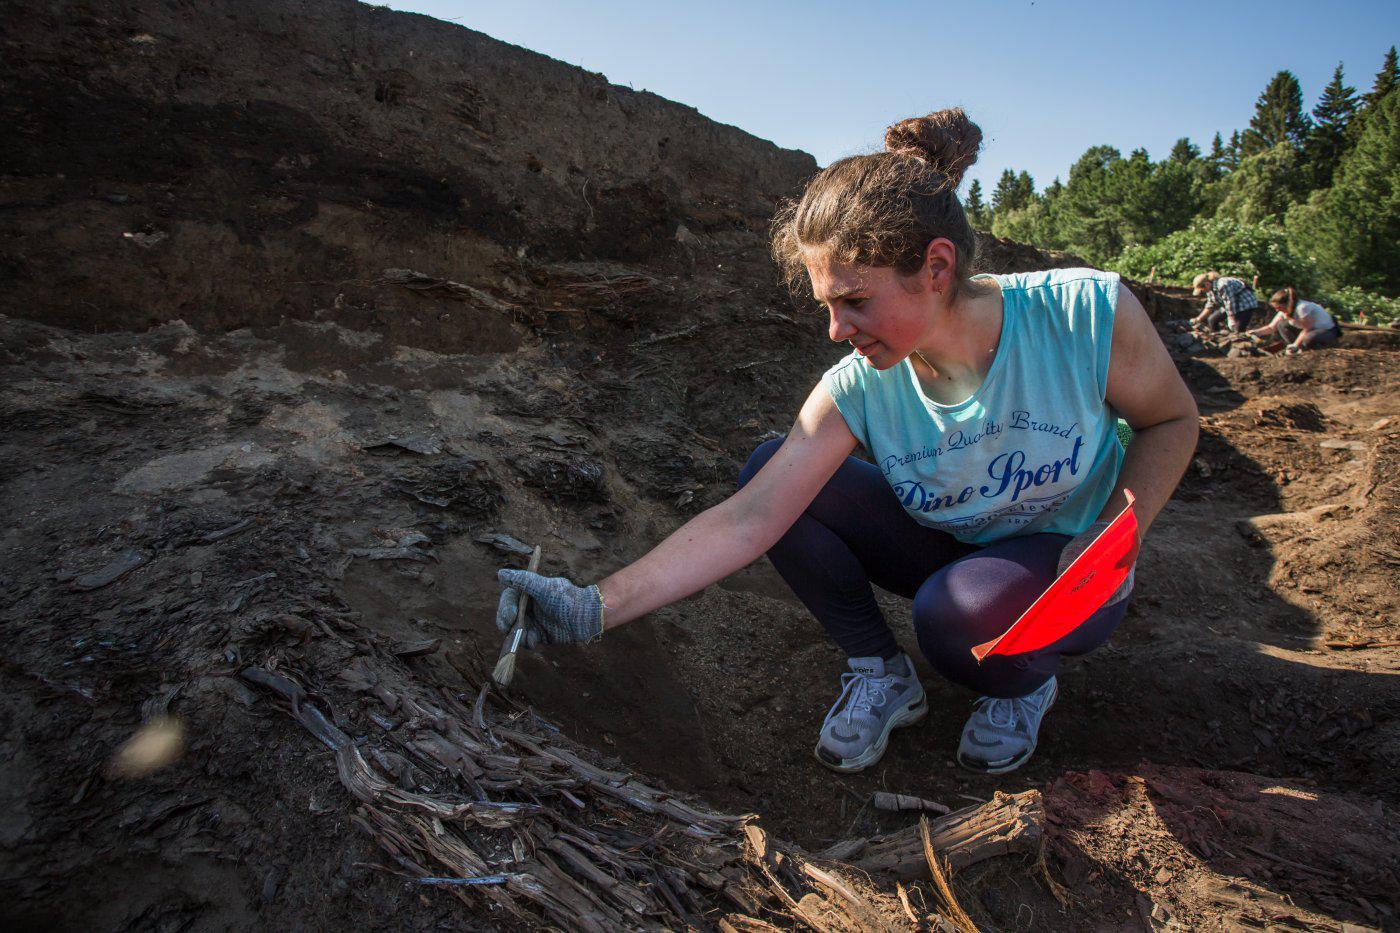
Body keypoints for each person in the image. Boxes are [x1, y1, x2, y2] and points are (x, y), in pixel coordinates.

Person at [494, 108, 1199, 776]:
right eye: (827, 305)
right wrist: (593, 604)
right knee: (773, 470)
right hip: (949, 546)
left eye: (855, 300)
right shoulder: (860, 382)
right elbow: (750, 518)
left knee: (956, 618)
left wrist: (1114, 531)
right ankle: (882, 672)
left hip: (1068, 561)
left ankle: (1021, 687)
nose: (836, 329)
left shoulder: (1081, 314)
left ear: (937, 268)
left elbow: (1171, 420)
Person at [1246, 287, 1341, 355]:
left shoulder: (1302, 308)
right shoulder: (1284, 311)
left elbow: (1306, 329)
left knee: (1308, 338)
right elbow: (1271, 327)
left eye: (1279, 307)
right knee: (1281, 325)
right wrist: (1255, 332)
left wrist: (1296, 344)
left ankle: (1305, 349)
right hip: (1308, 331)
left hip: (1327, 332)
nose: (1277, 310)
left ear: (1287, 304)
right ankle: (1294, 348)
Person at [1190, 271, 1260, 333]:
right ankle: (1217, 341)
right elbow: (1210, 304)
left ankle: (1242, 345)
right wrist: (1198, 319)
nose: (1203, 292)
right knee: (1212, 320)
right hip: (1230, 305)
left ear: (1207, 284)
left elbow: (1230, 302)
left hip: (1245, 304)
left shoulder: (1223, 284)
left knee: (1238, 329)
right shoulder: (1210, 289)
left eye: (1202, 290)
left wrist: (1231, 319)